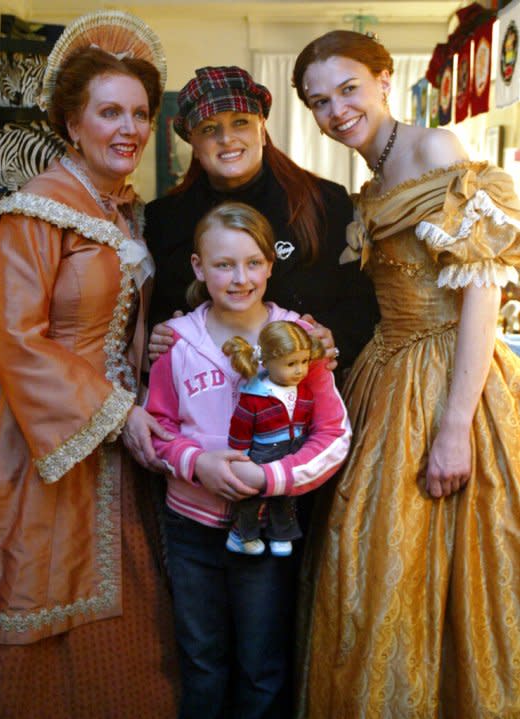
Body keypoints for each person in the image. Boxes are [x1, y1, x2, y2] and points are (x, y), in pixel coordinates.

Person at [0, 11, 179, 718]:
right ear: (71, 123)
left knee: (121, 602)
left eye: (140, 113)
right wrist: (119, 411)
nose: (130, 129)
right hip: (32, 427)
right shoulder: (35, 210)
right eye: (109, 111)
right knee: (32, 585)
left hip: (107, 424)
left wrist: (155, 349)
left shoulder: (118, 210)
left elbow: (110, 319)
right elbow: (19, 338)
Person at [292, 29, 520, 719]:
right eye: (318, 102)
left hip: (450, 376)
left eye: (348, 89)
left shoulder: (434, 150)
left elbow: (481, 286)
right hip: (388, 373)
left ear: (385, 79)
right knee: (373, 569)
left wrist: (455, 429)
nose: (336, 111)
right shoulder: (372, 179)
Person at [144, 201, 351, 719]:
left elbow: (332, 433)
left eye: (253, 263)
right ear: (197, 268)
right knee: (202, 659)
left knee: (262, 665)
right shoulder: (178, 343)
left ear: (271, 265)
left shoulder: (297, 340)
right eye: (223, 265)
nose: (240, 278)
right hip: (190, 529)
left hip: (268, 528)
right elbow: (158, 429)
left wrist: (271, 477)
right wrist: (197, 464)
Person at [145, 65, 380, 381]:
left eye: (240, 122)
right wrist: (159, 332)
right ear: (193, 142)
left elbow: (363, 306)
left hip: (304, 400)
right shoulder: (163, 220)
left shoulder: (325, 203)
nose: (226, 139)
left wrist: (332, 339)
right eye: (208, 128)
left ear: (262, 127)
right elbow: (148, 312)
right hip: (200, 404)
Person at [222, 321, 325, 557]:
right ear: (266, 362)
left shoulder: (305, 393)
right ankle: (242, 536)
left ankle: (281, 535)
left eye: (304, 361)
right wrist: (239, 457)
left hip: (291, 453)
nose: (300, 370)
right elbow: (239, 429)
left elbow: (306, 422)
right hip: (260, 456)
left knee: (284, 499)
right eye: (291, 364)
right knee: (250, 501)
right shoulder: (255, 397)